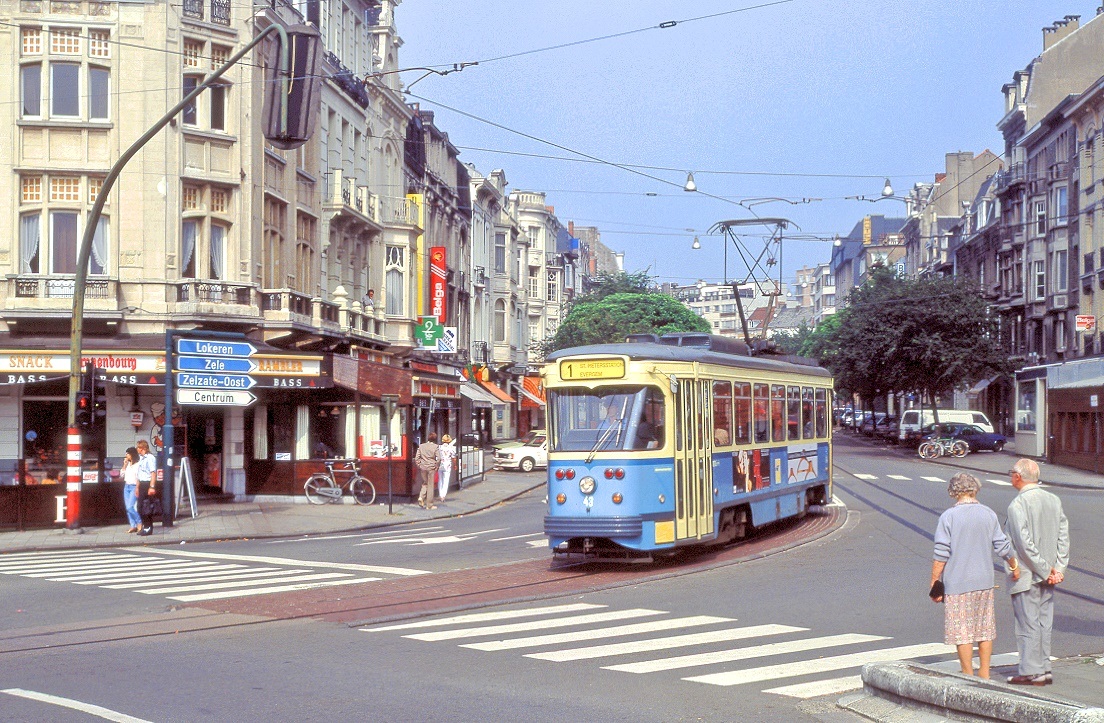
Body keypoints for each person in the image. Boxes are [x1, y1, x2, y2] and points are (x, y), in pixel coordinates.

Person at [930, 472, 1020, 678]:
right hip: (984, 581)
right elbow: (1002, 545)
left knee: (962, 630)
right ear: (975, 489)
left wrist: (934, 583)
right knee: (984, 627)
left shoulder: (948, 517)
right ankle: (985, 673)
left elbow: (941, 554)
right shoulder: (988, 514)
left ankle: (967, 673)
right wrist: (1014, 565)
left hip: (957, 583)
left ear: (953, 492)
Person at [1004, 458, 1070, 686]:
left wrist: (1044, 570)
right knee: (1044, 623)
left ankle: (1031, 672)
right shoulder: (1053, 500)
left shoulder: (1017, 505)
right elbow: (1063, 536)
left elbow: (1022, 544)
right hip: (1048, 575)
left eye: (1011, 472)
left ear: (1018, 477)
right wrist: (1058, 569)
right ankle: (1044, 669)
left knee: (1027, 623)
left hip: (1025, 574)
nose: (1011, 475)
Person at [135, 439, 158, 536]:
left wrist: (152, 487)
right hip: (141, 484)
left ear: (142, 448)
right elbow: (139, 474)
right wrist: (137, 487)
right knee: (140, 507)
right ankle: (145, 526)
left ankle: (149, 528)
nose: (137, 449)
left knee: (146, 507)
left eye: (138, 447)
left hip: (147, 484)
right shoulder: (140, 458)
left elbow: (153, 473)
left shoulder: (150, 458)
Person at [415, 432, 440, 510]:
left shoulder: (421, 446)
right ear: (435, 439)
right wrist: (436, 466)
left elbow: (417, 458)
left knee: (425, 483)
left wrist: (419, 465)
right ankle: (429, 505)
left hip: (423, 468)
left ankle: (421, 497)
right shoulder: (435, 447)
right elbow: (439, 458)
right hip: (431, 468)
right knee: (430, 485)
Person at [122, 447, 141, 533]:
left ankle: (139, 523)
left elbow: (139, 478)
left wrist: (137, 487)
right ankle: (133, 525)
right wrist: (124, 465)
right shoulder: (128, 465)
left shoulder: (138, 465)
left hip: (133, 486)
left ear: (132, 455)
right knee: (127, 507)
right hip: (127, 486)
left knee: (130, 507)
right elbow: (121, 475)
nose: (126, 456)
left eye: (127, 454)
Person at [437, 434, 456, 500]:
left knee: (440, 479)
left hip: (440, 464)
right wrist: (455, 465)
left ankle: (440, 494)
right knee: (446, 480)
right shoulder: (451, 448)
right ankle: (443, 495)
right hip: (447, 465)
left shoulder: (439, 447)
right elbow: (453, 458)